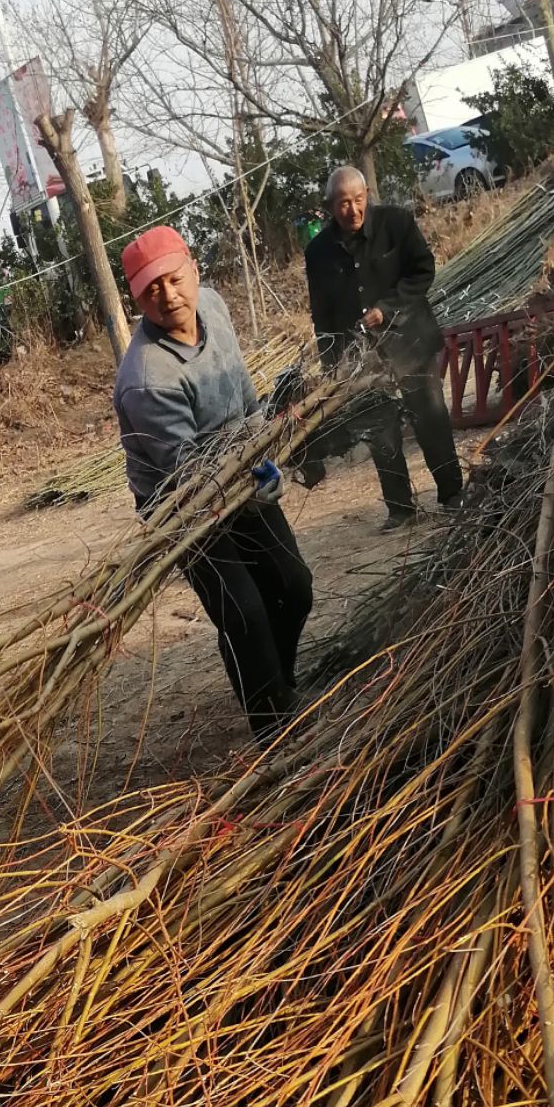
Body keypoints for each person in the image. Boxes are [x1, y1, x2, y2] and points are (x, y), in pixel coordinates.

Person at [112, 223, 312, 736]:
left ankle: (276, 680)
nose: (168, 295)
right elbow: (190, 472)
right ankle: (271, 723)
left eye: (174, 279)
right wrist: (245, 479)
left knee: (293, 584)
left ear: (193, 270)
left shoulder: (214, 307)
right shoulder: (147, 377)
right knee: (243, 611)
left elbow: (243, 387)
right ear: (137, 300)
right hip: (182, 501)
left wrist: (265, 446)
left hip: (242, 465)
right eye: (151, 289)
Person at [304, 165, 462, 532]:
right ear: (330, 206)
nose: (353, 211)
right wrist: (333, 365)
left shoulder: (397, 223)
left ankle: (452, 493)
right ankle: (400, 508)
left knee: (431, 421)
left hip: (410, 341)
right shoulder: (318, 253)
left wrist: (387, 308)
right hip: (362, 356)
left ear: (367, 197)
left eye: (358, 200)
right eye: (343, 204)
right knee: (380, 429)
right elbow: (321, 313)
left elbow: (423, 271)